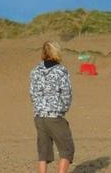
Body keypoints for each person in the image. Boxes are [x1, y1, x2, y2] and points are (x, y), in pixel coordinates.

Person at [29, 41, 75, 173]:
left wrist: (38, 107)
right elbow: (67, 92)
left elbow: (32, 93)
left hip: (39, 115)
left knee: (43, 151)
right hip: (54, 115)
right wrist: (63, 108)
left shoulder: (35, 70)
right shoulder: (61, 70)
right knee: (67, 148)